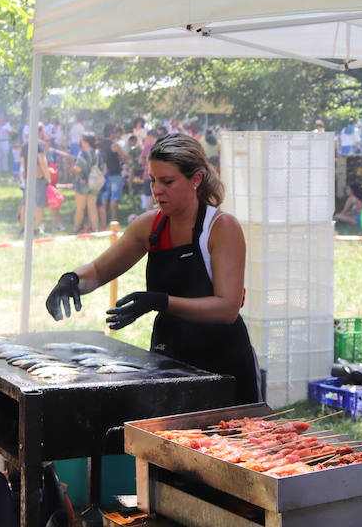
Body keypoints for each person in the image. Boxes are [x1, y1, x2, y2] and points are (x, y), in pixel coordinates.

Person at [45, 133, 261, 403]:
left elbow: (227, 309)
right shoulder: (150, 226)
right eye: (153, 181)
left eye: (167, 182)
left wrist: (161, 301)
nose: (157, 190)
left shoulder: (220, 227)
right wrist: (72, 279)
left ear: (196, 180)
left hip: (223, 364)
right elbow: (99, 271)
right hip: (169, 357)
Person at [72, 135, 101, 234]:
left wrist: (73, 167)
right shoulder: (98, 154)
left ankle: (76, 228)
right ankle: (95, 229)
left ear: (86, 142)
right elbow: (103, 170)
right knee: (92, 207)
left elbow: (78, 169)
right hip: (95, 184)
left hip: (83, 183)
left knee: (80, 208)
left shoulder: (83, 154)